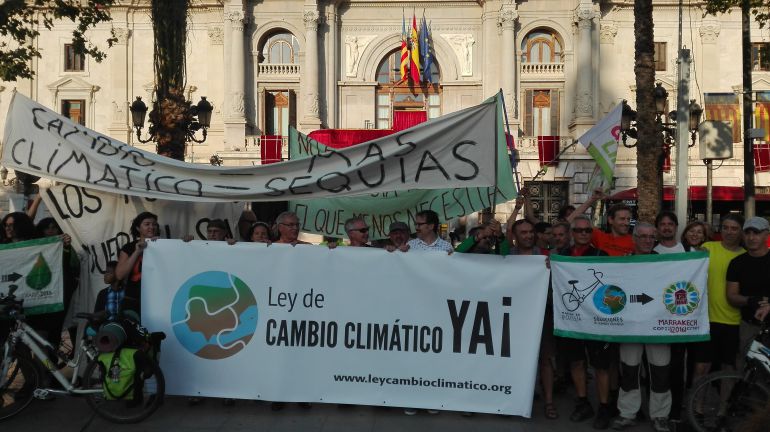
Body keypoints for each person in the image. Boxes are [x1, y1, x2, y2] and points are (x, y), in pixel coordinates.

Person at [554, 215, 614, 429]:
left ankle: (604, 407)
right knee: (576, 363)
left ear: (591, 233)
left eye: (587, 231)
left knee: (601, 366)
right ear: (572, 233)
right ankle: (583, 402)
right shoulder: (561, 255)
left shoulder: (602, 255)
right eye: (578, 230)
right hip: (572, 321)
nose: (582, 234)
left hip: (597, 321)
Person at [612, 223, 672, 432]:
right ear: (634, 238)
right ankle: (627, 413)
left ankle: (660, 415)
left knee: (661, 371)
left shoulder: (665, 263)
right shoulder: (623, 263)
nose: (647, 240)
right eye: (643, 236)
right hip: (631, 326)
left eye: (650, 237)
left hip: (658, 326)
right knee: (629, 370)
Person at [510, 219, 557, 419]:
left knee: (545, 359)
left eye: (531, 232)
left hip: (542, 314)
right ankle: (515, 399)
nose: (528, 235)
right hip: (516, 315)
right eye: (523, 232)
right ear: (515, 236)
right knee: (515, 358)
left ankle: (548, 402)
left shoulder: (545, 256)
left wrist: (553, 266)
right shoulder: (507, 256)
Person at [691, 214, 745, 383]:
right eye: (725, 228)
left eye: (734, 228)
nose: (729, 232)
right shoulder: (708, 247)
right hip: (707, 320)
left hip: (734, 321)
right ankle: (696, 405)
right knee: (701, 367)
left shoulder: (745, 256)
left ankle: (723, 408)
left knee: (728, 369)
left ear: (741, 232)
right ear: (720, 229)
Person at [726, 217, 770, 362]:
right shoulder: (737, 263)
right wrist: (749, 300)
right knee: (748, 370)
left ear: (766, 234)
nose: (751, 237)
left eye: (756, 233)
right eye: (747, 233)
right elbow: (731, 295)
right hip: (750, 325)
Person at [115, 212, 158, 314]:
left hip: (157, 301)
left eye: (154, 224)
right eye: (147, 224)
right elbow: (119, 275)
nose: (151, 227)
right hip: (133, 301)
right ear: (138, 228)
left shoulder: (164, 245)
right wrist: (137, 252)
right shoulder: (129, 248)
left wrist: (187, 242)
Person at [568, 191, 634, 256]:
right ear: (610, 220)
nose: (626, 223)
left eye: (628, 219)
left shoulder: (635, 240)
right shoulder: (601, 237)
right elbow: (569, 221)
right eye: (622, 219)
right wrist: (592, 199)